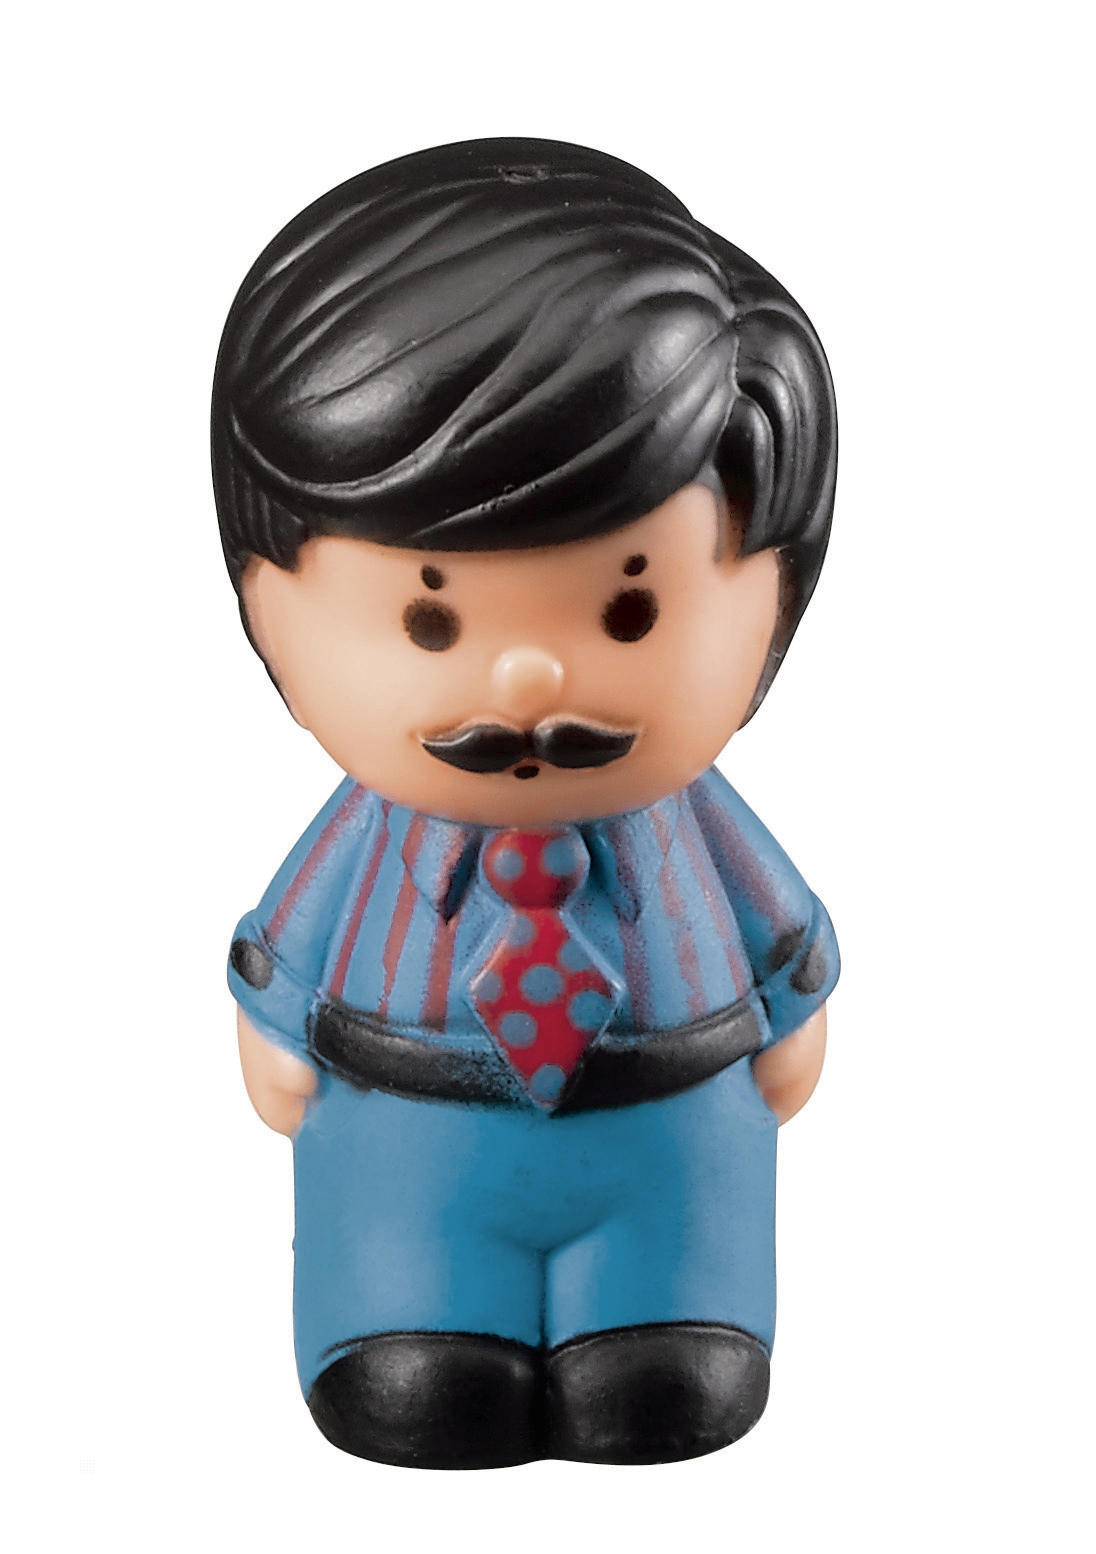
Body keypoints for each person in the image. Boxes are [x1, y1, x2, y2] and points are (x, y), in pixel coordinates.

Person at [213, 137, 840, 1468]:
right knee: (415, 1366)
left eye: (631, 609)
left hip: (667, 1138)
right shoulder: (370, 832)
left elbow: (779, 927)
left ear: (772, 592)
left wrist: (794, 1008)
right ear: (268, 604)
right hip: (409, 1142)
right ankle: (404, 1327)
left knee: (669, 1366)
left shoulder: (695, 828)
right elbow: (290, 938)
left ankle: (666, 1324)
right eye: (428, 620)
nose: (529, 680)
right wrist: (273, 1024)